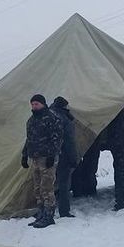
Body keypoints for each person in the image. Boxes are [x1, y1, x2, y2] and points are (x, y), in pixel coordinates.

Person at [21, 94, 63, 228]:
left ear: (43, 104)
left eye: (36, 104)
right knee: (38, 187)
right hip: (35, 157)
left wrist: (52, 155)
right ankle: (41, 212)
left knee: (47, 186)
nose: (34, 106)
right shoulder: (31, 121)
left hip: (47, 158)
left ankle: (49, 215)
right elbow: (29, 139)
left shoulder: (51, 118)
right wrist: (24, 154)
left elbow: (57, 138)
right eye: (32, 104)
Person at [49, 96, 78, 218]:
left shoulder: (46, 116)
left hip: (46, 156)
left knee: (45, 184)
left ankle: (45, 210)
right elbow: (70, 141)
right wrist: (74, 158)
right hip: (63, 155)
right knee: (64, 183)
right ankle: (64, 211)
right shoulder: (65, 119)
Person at [106, 106, 124, 210]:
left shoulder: (117, 120)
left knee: (120, 175)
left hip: (120, 149)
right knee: (122, 174)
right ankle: (123, 200)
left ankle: (123, 201)